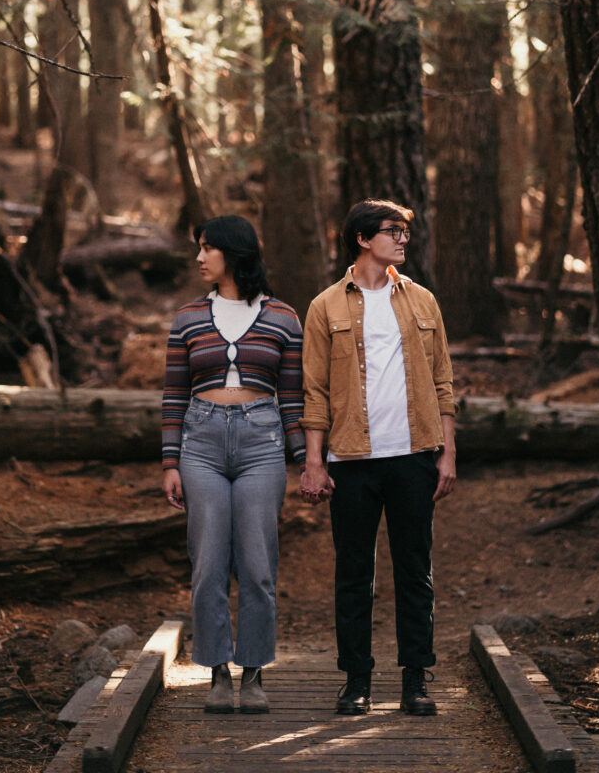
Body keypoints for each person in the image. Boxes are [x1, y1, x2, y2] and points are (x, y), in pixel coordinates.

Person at [300, 199, 456, 716]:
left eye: (406, 232)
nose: (404, 239)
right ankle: (357, 680)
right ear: (364, 238)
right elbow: (315, 392)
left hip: (413, 454)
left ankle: (416, 678)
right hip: (351, 459)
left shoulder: (422, 302)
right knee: (353, 574)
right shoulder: (326, 306)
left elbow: (442, 383)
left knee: (415, 570)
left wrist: (447, 453)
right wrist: (314, 462)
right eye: (393, 231)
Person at [161, 215, 305, 714]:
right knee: (208, 565)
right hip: (199, 444)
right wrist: (170, 462)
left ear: (234, 253)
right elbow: (175, 393)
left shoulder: (285, 317)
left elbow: (292, 397)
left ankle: (255, 674)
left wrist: (306, 458)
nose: (199, 258)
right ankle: (219, 672)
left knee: (258, 565)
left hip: (262, 445)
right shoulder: (186, 318)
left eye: (207, 248)